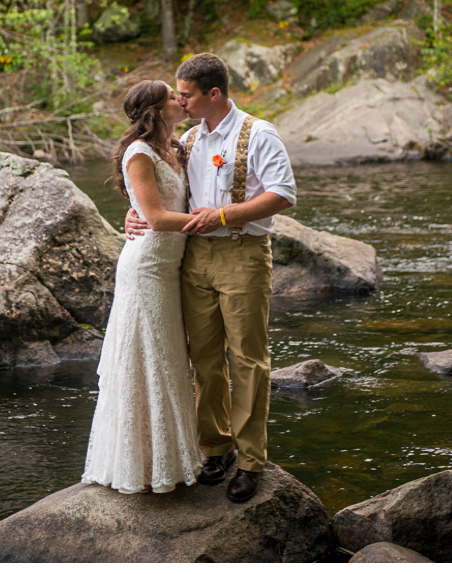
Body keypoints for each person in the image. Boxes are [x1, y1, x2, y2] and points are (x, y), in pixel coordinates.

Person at [125, 53, 296, 503]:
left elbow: (283, 194)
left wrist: (222, 215)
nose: (179, 102)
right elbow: (160, 190)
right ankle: (214, 449)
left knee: (247, 359)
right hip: (193, 257)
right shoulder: (187, 141)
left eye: (185, 94)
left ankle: (251, 460)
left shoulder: (259, 133)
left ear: (213, 93)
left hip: (243, 254)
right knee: (202, 357)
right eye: (177, 96)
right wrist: (135, 213)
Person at [81, 80, 202, 494]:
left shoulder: (180, 148)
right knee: (147, 359)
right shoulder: (139, 153)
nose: (180, 100)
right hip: (147, 266)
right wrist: (220, 218)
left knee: (169, 360)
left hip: (172, 266)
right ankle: (139, 467)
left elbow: (156, 207)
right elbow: (153, 216)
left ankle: (170, 458)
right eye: (172, 96)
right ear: (154, 109)